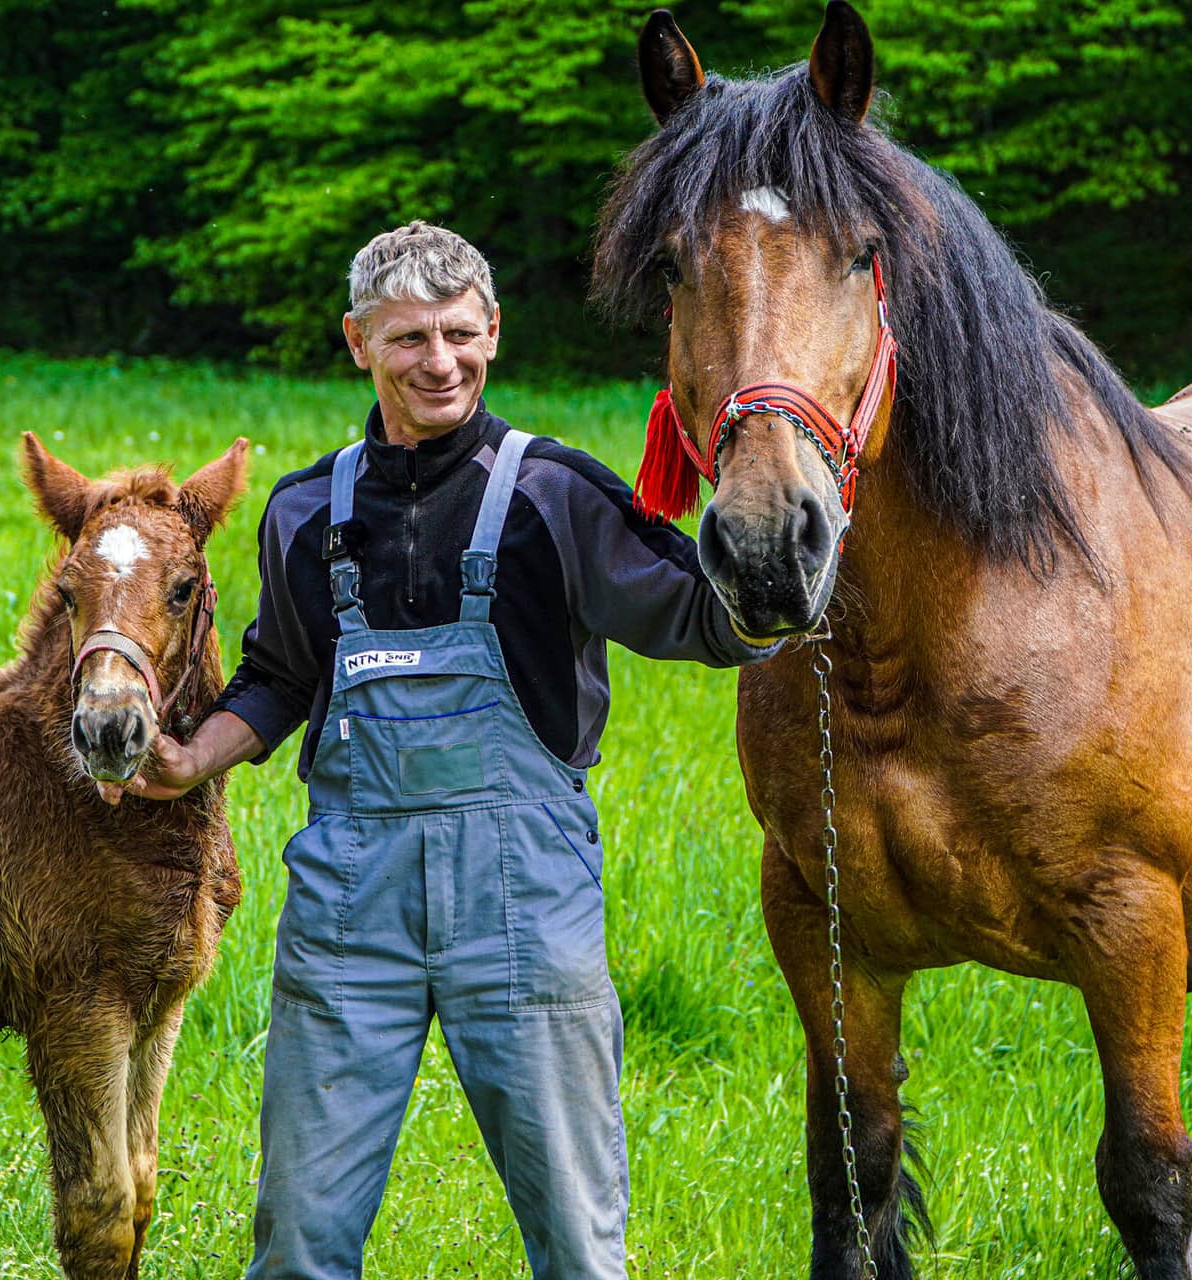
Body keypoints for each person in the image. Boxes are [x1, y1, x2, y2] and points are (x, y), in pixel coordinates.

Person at [129, 220, 780, 1279]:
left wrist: (768, 548)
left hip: (522, 907)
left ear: (493, 332)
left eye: (460, 334)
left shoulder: (554, 493)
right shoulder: (304, 510)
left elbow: (698, 616)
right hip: (349, 913)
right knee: (296, 1241)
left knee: (576, 1239)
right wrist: (190, 756)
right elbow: (284, 673)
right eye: (409, 338)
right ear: (357, 342)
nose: (440, 361)